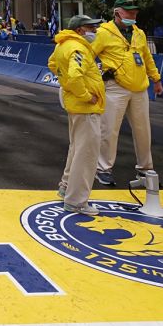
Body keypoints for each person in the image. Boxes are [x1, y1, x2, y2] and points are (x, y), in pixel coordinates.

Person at [91, 0, 163, 186]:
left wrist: (156, 78)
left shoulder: (139, 33)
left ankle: (146, 169)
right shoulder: (103, 33)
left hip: (139, 88)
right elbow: (90, 55)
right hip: (115, 87)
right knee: (109, 129)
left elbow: (147, 57)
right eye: (129, 12)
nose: (133, 15)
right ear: (117, 13)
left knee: (143, 130)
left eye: (135, 12)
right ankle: (103, 168)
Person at [48, 15, 106, 215]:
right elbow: (73, 76)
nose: (96, 31)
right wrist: (85, 95)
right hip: (85, 107)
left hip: (75, 105)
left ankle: (66, 187)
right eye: (92, 28)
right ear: (80, 30)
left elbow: (53, 65)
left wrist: (68, 86)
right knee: (87, 154)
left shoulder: (63, 45)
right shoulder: (78, 48)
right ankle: (76, 200)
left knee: (76, 148)